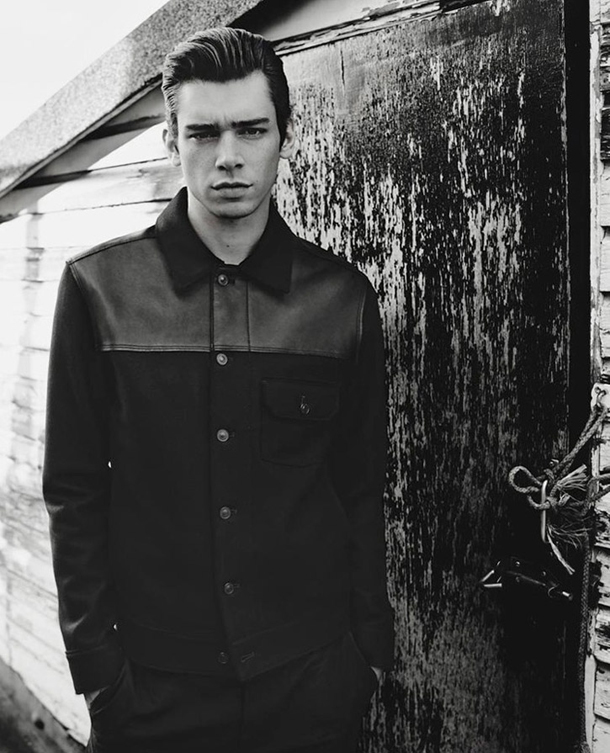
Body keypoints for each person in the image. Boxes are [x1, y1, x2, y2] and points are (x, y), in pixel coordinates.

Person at [43, 27, 394, 753]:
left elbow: (360, 485)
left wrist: (366, 655)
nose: (228, 155)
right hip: (151, 692)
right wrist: (99, 670)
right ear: (171, 140)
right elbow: (73, 490)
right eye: (203, 132)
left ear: (285, 135)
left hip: (311, 685)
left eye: (251, 130)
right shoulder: (98, 289)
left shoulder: (342, 300)